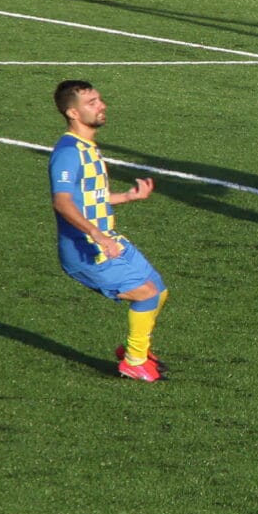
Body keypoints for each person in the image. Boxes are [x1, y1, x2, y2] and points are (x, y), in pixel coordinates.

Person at [49, 81, 169, 382]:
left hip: (106, 241)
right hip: (85, 250)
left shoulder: (88, 147)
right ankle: (134, 361)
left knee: (159, 290)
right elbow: (62, 203)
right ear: (73, 112)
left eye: (100, 99)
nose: (101, 105)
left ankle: (134, 348)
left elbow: (89, 199)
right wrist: (99, 236)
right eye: (92, 102)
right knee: (145, 293)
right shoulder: (67, 152)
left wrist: (127, 197)